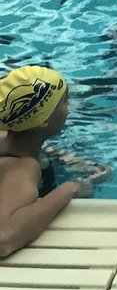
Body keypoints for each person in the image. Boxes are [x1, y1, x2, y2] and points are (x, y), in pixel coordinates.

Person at [0, 66, 90, 258]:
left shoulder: (6, 130)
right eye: (65, 101)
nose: (68, 106)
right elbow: (3, 239)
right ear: (43, 120)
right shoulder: (22, 168)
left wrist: (58, 155)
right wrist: (69, 189)